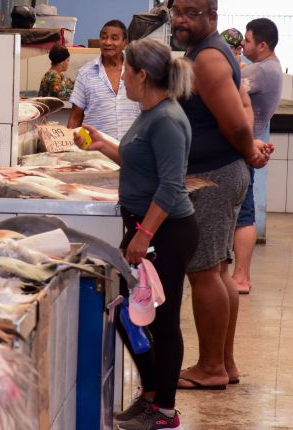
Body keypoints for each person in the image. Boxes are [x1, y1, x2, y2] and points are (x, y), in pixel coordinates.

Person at [75, 38, 198, 430]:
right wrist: (102, 146)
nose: (122, 76)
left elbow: (170, 187)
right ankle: (150, 394)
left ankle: (164, 409)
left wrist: (143, 235)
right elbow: (138, 161)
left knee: (159, 319)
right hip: (147, 228)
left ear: (142, 75)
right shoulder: (149, 112)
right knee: (131, 313)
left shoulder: (167, 119)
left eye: (127, 71)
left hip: (166, 232)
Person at [170, 0, 270, 391]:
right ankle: (224, 363)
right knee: (218, 269)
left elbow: (233, 120)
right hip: (220, 171)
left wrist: (248, 151)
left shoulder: (208, 60)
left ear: (212, 16)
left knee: (205, 272)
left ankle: (210, 367)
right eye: (177, 10)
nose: (180, 19)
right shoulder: (209, 53)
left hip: (212, 174)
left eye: (191, 13)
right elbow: (239, 112)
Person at [232, 18, 284, 295]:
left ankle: (241, 277)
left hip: (241, 149)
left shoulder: (262, 71)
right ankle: (240, 275)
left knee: (243, 214)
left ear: (263, 45)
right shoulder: (270, 68)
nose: (243, 45)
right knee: (243, 211)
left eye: (248, 41)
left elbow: (224, 85)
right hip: (247, 145)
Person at [67, 20, 141, 140]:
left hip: (134, 151)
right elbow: (75, 118)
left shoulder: (137, 69)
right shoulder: (85, 73)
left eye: (114, 38)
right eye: (104, 37)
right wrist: (68, 146)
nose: (107, 42)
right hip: (96, 153)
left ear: (125, 43)